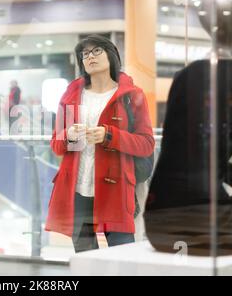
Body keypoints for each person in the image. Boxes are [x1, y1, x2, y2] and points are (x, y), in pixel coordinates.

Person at [145, 0, 232, 256]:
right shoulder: (218, 76)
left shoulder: (189, 75)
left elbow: (200, 156)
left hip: (163, 221)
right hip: (203, 223)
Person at [45, 34, 154, 253]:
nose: (90, 57)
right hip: (77, 191)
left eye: (96, 51)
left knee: (124, 259)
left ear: (111, 55)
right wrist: (69, 135)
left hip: (117, 192)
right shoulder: (70, 96)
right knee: (86, 259)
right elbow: (56, 145)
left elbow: (146, 144)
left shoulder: (132, 95)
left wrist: (109, 135)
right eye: (84, 54)